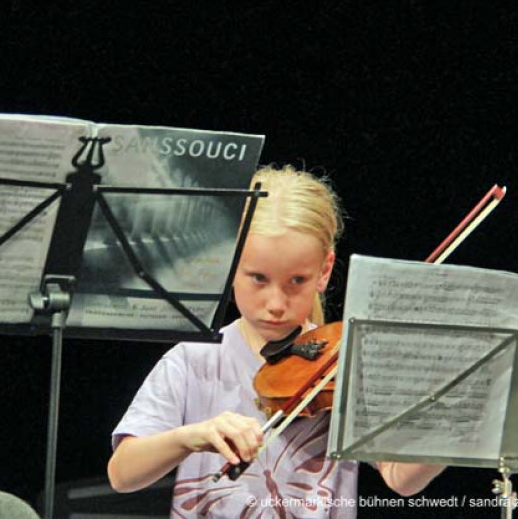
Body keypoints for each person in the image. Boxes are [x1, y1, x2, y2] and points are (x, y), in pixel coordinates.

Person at [107, 165, 445, 518]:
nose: (276, 304)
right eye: (258, 278)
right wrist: (190, 436)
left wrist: (449, 422)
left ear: (325, 271)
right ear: (231, 262)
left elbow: (400, 478)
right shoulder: (194, 360)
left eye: (296, 280)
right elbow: (122, 474)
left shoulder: (344, 365)